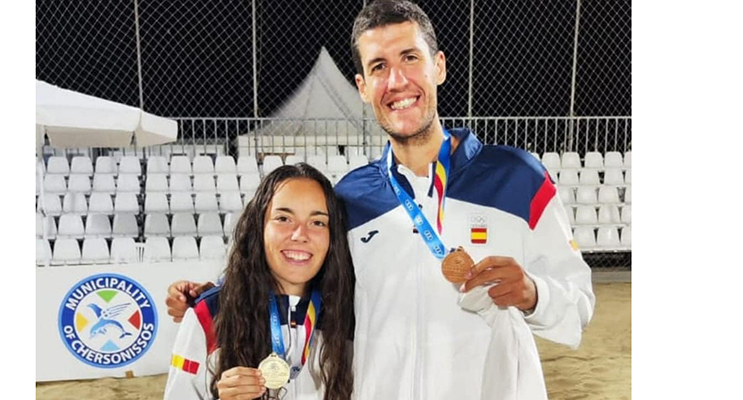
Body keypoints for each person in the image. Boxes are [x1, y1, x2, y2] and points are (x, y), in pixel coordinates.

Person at [168, 1, 595, 398]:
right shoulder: (350, 198)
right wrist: (220, 294)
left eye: (410, 58)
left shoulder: (518, 178)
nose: (397, 81)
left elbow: (579, 303)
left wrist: (533, 293)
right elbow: (303, 275)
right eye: (379, 67)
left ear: (439, 67)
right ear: (362, 86)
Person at [163, 164, 354, 400]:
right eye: (283, 218)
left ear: (332, 235)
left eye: (318, 222)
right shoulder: (209, 315)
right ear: (259, 228)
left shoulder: (349, 316)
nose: (300, 234)